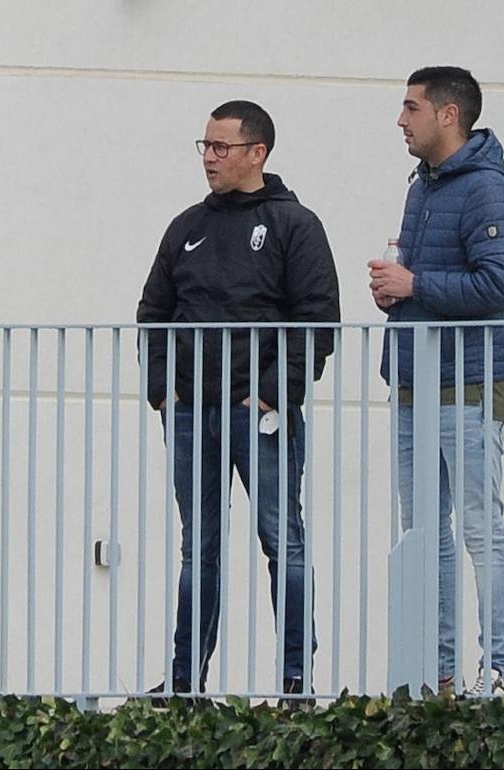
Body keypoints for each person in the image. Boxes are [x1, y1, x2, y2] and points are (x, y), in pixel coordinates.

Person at [136, 100, 341, 702]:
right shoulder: (186, 226)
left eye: (221, 147)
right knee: (197, 547)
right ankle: (183, 682)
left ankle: (296, 682)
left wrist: (272, 394)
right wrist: (164, 390)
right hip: (191, 413)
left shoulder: (293, 225)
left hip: (260, 413)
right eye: (204, 146)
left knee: (283, 541)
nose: (209, 158)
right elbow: (152, 314)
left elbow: (317, 323)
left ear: (258, 152)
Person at [368, 66, 504, 696]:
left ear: (448, 114)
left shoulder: (485, 188)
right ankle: (441, 673)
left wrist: (414, 286)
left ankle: (503, 671)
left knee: (480, 527)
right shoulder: (422, 186)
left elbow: (499, 285)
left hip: (468, 384)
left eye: (411, 107)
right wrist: (395, 291)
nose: (400, 120)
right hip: (413, 384)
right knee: (423, 534)